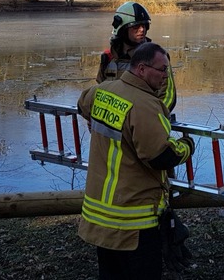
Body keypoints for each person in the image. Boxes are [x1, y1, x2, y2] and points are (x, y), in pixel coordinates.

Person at [78, 42, 195, 280]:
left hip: (101, 218)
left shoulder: (103, 91)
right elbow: (160, 156)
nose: (166, 76)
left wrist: (92, 120)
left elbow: (82, 104)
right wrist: (186, 146)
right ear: (141, 69)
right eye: (162, 70)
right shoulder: (145, 105)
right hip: (134, 222)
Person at [97, 0, 176, 112]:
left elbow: (168, 96)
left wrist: (150, 118)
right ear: (123, 29)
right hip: (113, 125)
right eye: (136, 26)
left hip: (143, 124)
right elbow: (100, 92)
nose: (142, 30)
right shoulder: (108, 57)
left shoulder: (157, 57)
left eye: (144, 25)